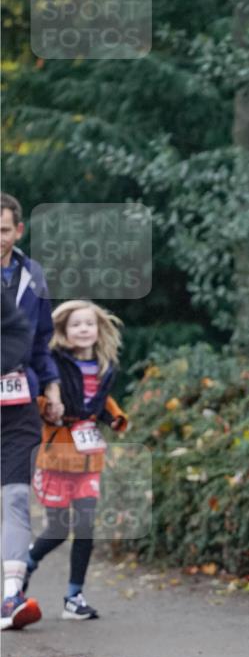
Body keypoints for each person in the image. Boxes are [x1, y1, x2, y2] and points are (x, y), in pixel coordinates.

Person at [25, 299, 128, 619]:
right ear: (62, 331)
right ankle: (26, 564)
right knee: (57, 528)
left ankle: (74, 597)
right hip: (56, 455)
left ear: (99, 330)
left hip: (88, 460)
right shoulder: (51, 363)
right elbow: (37, 394)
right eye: (75, 325)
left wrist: (116, 418)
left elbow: (100, 400)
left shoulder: (105, 366)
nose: (83, 329)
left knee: (85, 526)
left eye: (89, 324)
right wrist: (46, 407)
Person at [1, 192, 63, 630]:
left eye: (3, 230)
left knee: (17, 496)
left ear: (18, 230)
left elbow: (41, 344)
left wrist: (55, 387)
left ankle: (10, 597)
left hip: (20, 400)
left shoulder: (33, 276)